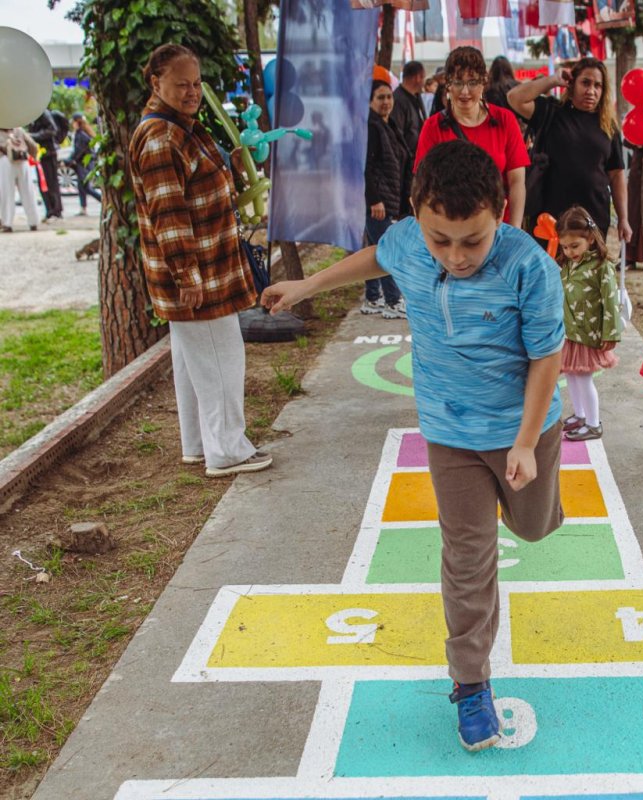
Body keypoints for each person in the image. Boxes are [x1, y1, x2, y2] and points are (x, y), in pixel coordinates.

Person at [261, 140, 565, 753]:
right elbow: (379, 255)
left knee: (532, 528)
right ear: (417, 216)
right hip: (450, 432)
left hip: (523, 430)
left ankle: (531, 503)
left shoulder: (530, 268)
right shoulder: (407, 239)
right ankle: (471, 684)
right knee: (467, 556)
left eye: (472, 240)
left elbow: (546, 358)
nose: (455, 256)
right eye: (439, 240)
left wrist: (528, 444)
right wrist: (308, 284)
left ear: (500, 213)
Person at [128, 43, 272, 478]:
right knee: (220, 356)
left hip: (203, 268)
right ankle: (227, 450)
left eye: (196, 84)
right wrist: (186, 274)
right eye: (181, 84)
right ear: (157, 83)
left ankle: (198, 444)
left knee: (194, 362)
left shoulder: (180, 126)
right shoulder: (162, 136)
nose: (192, 92)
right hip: (200, 273)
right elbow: (168, 213)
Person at [508, 57, 630, 243]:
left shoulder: (608, 126)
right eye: (585, 83)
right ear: (572, 84)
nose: (591, 91)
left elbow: (616, 175)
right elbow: (514, 98)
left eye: (598, 85)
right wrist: (553, 79)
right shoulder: (551, 112)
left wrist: (624, 219)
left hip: (593, 220)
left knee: (588, 272)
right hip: (550, 222)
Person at [414, 46, 530, 228]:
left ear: (484, 83)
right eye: (458, 82)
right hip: (451, 232)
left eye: (473, 82)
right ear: (448, 84)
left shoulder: (504, 120)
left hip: (498, 229)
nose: (465, 91)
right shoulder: (433, 127)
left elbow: (517, 182)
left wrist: (514, 230)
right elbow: (422, 183)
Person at [555, 206, 621, 442]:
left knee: (583, 378)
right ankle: (581, 415)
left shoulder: (601, 267)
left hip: (588, 333)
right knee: (571, 376)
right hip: (570, 333)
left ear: (590, 239)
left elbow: (611, 302)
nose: (569, 251)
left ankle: (594, 424)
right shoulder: (568, 265)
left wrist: (611, 333)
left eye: (575, 246)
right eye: (565, 246)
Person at [363, 80, 409, 319]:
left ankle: (372, 298)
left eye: (389, 97)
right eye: (380, 97)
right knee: (387, 251)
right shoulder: (372, 126)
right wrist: (374, 200)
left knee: (374, 249)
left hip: (388, 199)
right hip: (378, 202)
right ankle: (392, 301)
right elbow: (366, 167)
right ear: (370, 101)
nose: (386, 102)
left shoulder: (387, 125)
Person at [0, 127, 40, 232]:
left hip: (5, 161)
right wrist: (34, 156)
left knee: (7, 194)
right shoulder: (19, 129)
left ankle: (7, 223)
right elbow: (33, 146)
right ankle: (33, 222)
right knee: (28, 192)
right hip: (23, 161)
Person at [28, 109, 64, 222]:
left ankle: (56, 211)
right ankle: (49, 211)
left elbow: (52, 130)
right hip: (40, 155)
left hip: (48, 153)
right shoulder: (31, 115)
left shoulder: (42, 113)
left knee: (51, 182)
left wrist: (32, 136)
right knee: (43, 184)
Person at [67, 113, 103, 216]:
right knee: (81, 187)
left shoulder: (81, 135)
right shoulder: (82, 133)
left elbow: (79, 150)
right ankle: (83, 208)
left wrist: (70, 160)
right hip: (84, 164)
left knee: (86, 187)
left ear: (76, 122)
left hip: (84, 164)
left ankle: (102, 200)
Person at [391, 60, 427, 159]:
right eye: (423, 77)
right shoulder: (398, 101)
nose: (424, 82)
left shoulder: (416, 98)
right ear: (417, 78)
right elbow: (397, 134)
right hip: (406, 163)